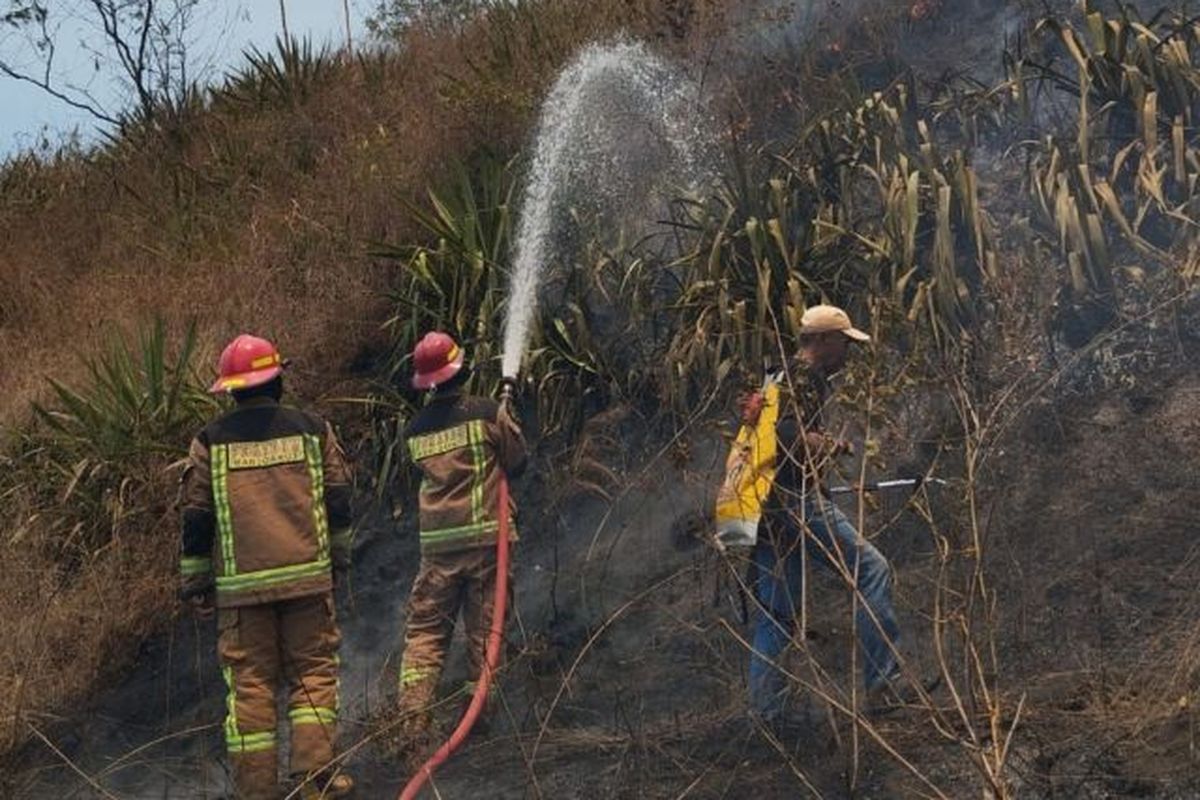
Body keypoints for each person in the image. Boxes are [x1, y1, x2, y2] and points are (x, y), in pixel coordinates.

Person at [178, 334, 354, 799]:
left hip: (241, 593)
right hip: (307, 580)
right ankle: (315, 781)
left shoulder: (209, 442)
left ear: (232, 390)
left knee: (250, 690)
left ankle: (256, 791)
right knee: (313, 674)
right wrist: (340, 558)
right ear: (278, 381)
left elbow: (196, 515)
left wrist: (196, 581)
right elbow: (338, 499)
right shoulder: (314, 429)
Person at [746, 305, 907, 722]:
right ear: (821, 340)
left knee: (778, 614)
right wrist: (829, 445)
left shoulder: (775, 372)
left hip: (764, 507)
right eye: (844, 341)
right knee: (872, 570)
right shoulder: (806, 377)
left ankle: (768, 715)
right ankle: (882, 687)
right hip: (794, 499)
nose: (848, 351)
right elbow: (786, 437)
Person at [395, 332, 526, 755]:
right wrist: (508, 418)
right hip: (487, 542)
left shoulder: (414, 430)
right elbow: (517, 461)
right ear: (461, 369)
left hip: (437, 549)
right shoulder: (486, 413)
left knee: (426, 634)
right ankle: (480, 719)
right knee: (485, 632)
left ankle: (411, 724)